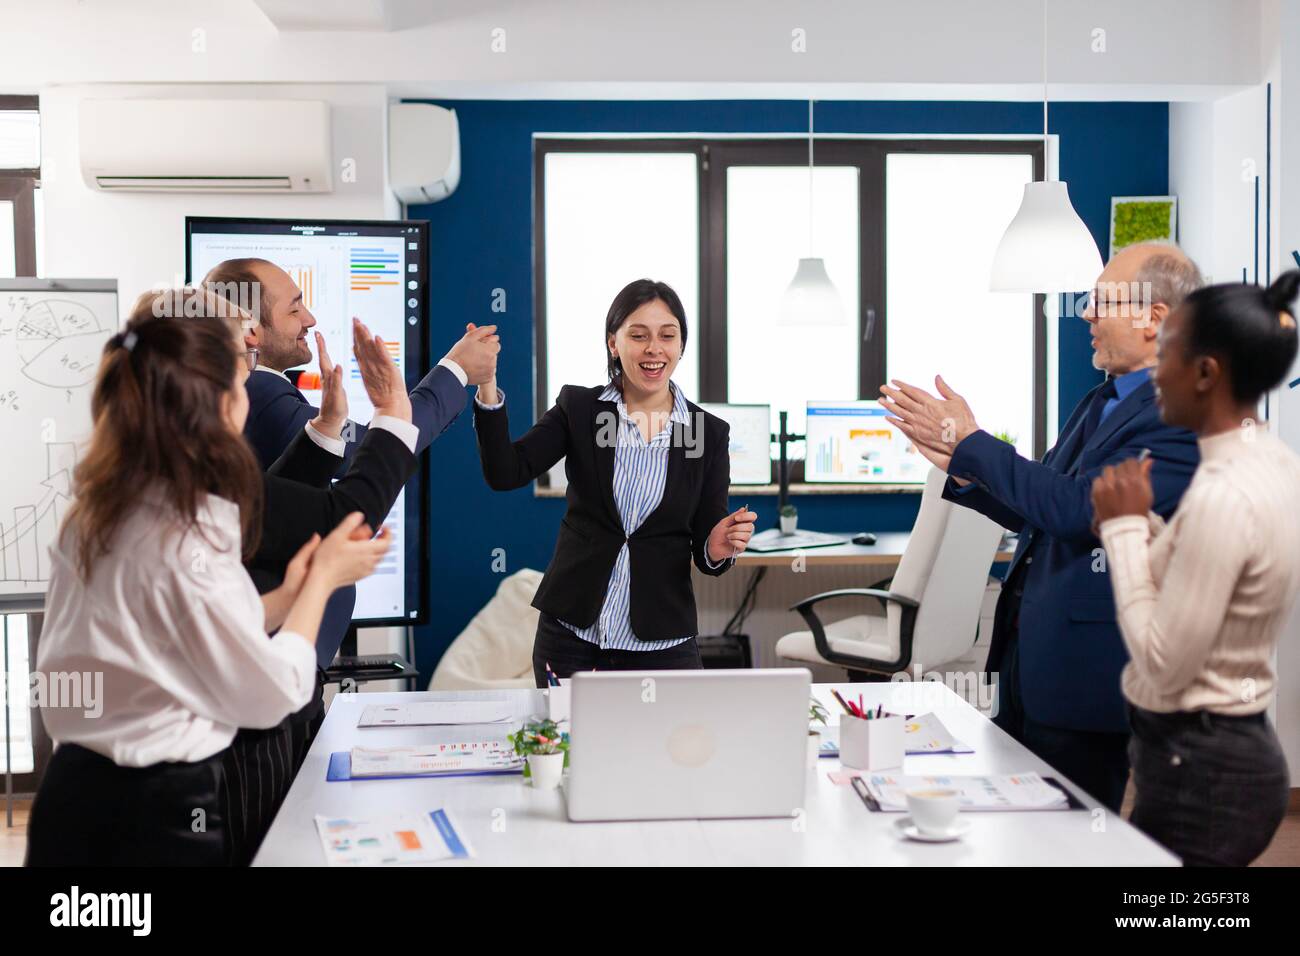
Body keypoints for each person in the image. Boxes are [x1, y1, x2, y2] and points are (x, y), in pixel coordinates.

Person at [25, 289, 389, 866]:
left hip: (71, 799)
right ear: (222, 407)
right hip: (150, 820)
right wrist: (320, 583)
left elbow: (175, 636)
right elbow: (268, 695)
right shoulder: (185, 530)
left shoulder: (103, 507)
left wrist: (286, 598)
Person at [879, 244, 1202, 812]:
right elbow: (1042, 509)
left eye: (1101, 302)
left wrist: (973, 443)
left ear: (1153, 317)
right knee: (1022, 823)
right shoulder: (1101, 399)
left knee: (1070, 833)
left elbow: (1080, 510)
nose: (1085, 314)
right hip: (1030, 656)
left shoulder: (1178, 415)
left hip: (1088, 675)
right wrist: (962, 469)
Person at [1091, 271, 1300, 865]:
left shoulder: (1221, 495)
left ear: (1206, 373)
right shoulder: (1270, 459)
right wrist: (1151, 526)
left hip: (1203, 775)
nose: (1156, 370)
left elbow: (1163, 663)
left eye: (1169, 354)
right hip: (1227, 757)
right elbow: (1220, 570)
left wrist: (1125, 530)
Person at [474, 279, 756, 684]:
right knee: (571, 748)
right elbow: (506, 473)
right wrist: (487, 387)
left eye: (667, 336)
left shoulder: (705, 433)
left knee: (669, 748)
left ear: (680, 346)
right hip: (572, 637)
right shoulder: (582, 409)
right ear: (613, 343)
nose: (653, 348)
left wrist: (716, 546)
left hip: (662, 645)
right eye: (638, 335)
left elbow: (706, 545)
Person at [202, 257, 500, 469]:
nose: (310, 319)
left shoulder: (231, 388)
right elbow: (367, 448)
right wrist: (456, 368)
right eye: (294, 311)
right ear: (251, 330)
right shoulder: (262, 392)